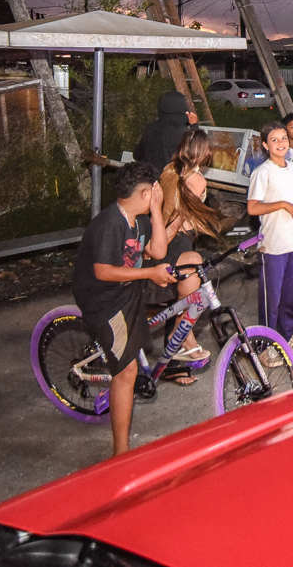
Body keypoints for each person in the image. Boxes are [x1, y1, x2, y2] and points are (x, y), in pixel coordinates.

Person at [71, 160, 177, 456]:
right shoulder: (110, 223)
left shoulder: (138, 218)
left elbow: (158, 250)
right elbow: (103, 271)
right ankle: (121, 453)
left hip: (127, 291)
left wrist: (156, 211)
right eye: (154, 193)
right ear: (144, 193)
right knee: (127, 371)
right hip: (103, 300)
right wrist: (149, 272)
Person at [151, 129, 225, 377]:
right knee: (192, 294)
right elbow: (179, 216)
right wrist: (160, 245)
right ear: (204, 151)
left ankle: (182, 340)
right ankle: (183, 338)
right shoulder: (197, 179)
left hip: (164, 234)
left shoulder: (169, 169)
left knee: (183, 296)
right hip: (179, 240)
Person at [247, 121, 293, 356]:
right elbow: (253, 207)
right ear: (266, 145)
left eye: (284, 138)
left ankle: (288, 335)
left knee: (292, 296)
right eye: (274, 140)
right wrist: (281, 204)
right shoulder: (262, 172)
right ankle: (266, 346)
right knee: (271, 299)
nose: (281, 143)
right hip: (274, 245)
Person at [134, 89, 196, 171]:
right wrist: (195, 126)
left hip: (150, 176)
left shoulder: (150, 128)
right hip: (172, 177)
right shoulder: (182, 132)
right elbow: (197, 154)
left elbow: (137, 155)